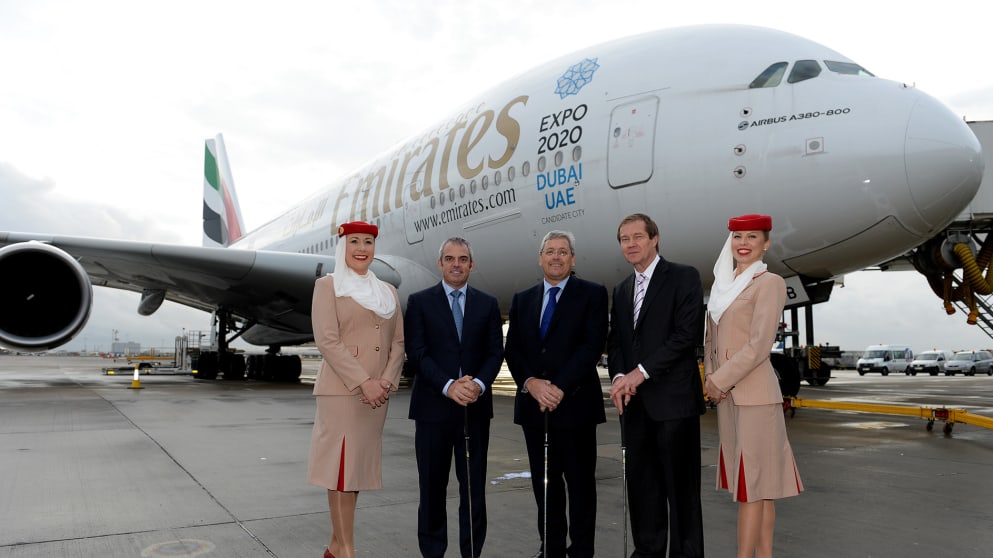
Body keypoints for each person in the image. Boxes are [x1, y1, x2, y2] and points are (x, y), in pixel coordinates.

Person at [702, 214, 803, 558]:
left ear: (766, 243)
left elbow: (760, 345)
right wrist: (710, 378)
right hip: (729, 398)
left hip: (755, 397)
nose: (743, 243)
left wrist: (719, 379)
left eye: (752, 237)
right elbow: (711, 339)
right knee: (759, 488)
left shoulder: (768, 282)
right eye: (738, 236)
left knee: (753, 487)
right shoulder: (723, 285)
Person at [607, 213, 706, 558]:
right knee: (643, 491)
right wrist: (619, 377)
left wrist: (640, 373)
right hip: (635, 407)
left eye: (637, 237)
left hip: (674, 404)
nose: (631, 244)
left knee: (681, 494)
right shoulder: (621, 291)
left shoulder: (683, 277)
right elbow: (617, 342)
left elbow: (685, 336)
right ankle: (647, 551)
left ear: (654, 239)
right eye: (624, 239)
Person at [504, 230, 608, 558]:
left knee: (580, 488)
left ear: (573, 259)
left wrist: (558, 386)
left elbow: (591, 346)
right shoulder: (523, 299)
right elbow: (514, 349)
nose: (556, 257)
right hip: (535, 411)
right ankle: (550, 549)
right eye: (550, 251)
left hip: (576, 406)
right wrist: (531, 383)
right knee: (545, 488)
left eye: (563, 252)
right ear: (540, 257)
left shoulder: (592, 294)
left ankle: (581, 552)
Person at [307, 221, 405, 558]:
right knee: (340, 469)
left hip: (376, 396)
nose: (362, 249)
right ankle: (347, 549)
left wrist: (386, 382)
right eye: (354, 242)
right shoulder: (328, 286)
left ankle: (336, 546)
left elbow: (398, 343)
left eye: (368, 242)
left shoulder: (388, 292)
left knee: (356, 471)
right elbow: (327, 341)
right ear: (342, 247)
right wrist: (364, 381)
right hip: (342, 392)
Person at [405, 237, 504, 558]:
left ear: (472, 264)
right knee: (431, 491)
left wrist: (477, 383)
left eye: (463, 259)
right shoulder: (419, 302)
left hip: (474, 411)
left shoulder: (487, 304)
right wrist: (449, 385)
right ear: (440, 263)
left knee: (474, 491)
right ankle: (433, 552)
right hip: (432, 411)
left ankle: (471, 552)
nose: (456, 264)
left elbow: (495, 352)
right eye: (450, 258)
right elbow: (417, 353)